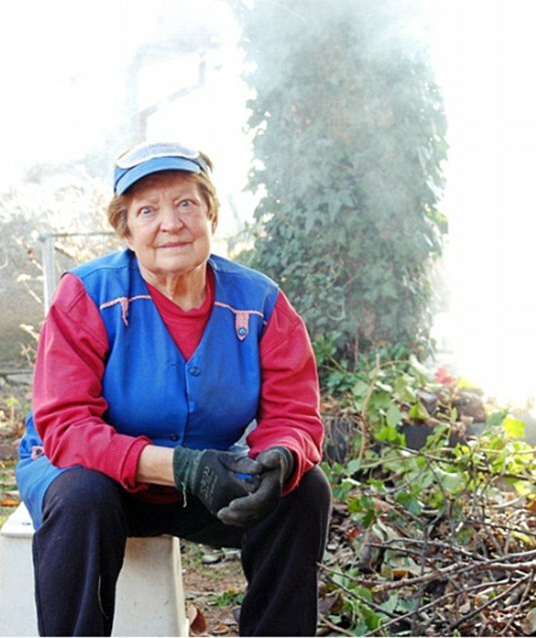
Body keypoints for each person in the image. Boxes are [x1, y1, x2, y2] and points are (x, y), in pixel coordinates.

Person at [16, 141, 332, 636]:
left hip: (203, 480)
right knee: (82, 495)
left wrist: (283, 456)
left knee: (302, 491)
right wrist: (181, 467)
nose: (171, 223)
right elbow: (66, 428)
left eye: (186, 203)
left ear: (211, 214)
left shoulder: (260, 303)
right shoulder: (87, 295)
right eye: (148, 210)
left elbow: (295, 416)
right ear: (126, 229)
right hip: (95, 478)